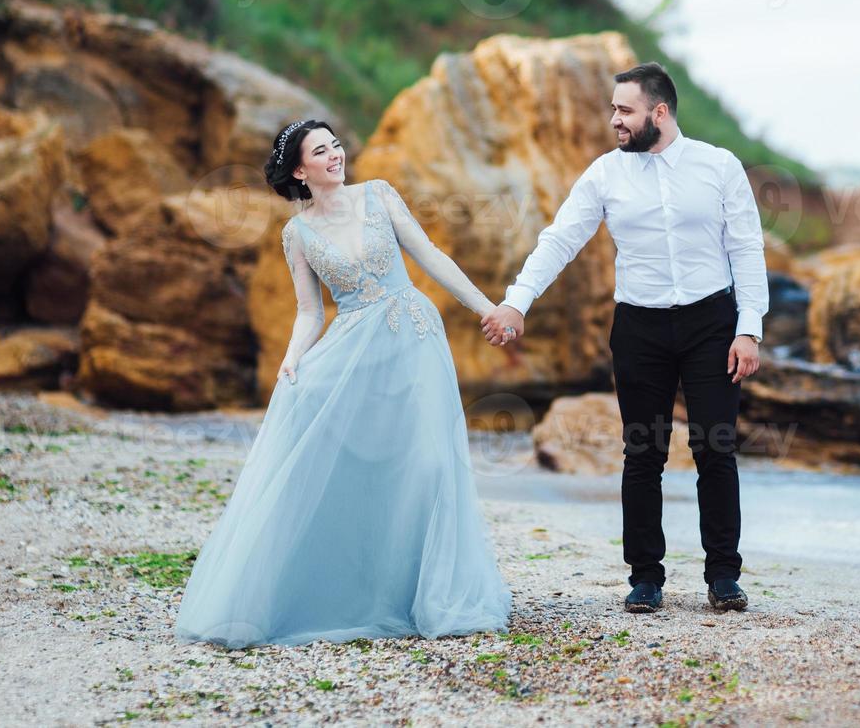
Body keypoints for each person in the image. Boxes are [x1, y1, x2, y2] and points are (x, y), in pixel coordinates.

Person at [174, 119, 513, 648]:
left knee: (428, 460)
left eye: (335, 145)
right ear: (299, 171)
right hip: (354, 349)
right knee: (367, 466)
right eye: (320, 151)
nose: (334, 155)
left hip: (414, 336)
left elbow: (429, 256)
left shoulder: (378, 195)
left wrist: (488, 308)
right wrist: (291, 361)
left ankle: (437, 595)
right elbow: (309, 313)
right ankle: (366, 592)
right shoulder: (297, 233)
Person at [480, 63, 768, 615]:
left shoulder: (719, 166)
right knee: (643, 453)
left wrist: (748, 328)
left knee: (716, 448)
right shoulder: (605, 174)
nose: (615, 119)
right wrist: (518, 300)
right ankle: (645, 577)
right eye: (614, 109)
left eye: (625, 110)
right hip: (639, 327)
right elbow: (560, 238)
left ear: (659, 113)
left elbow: (746, 249)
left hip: (712, 322)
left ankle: (723, 575)